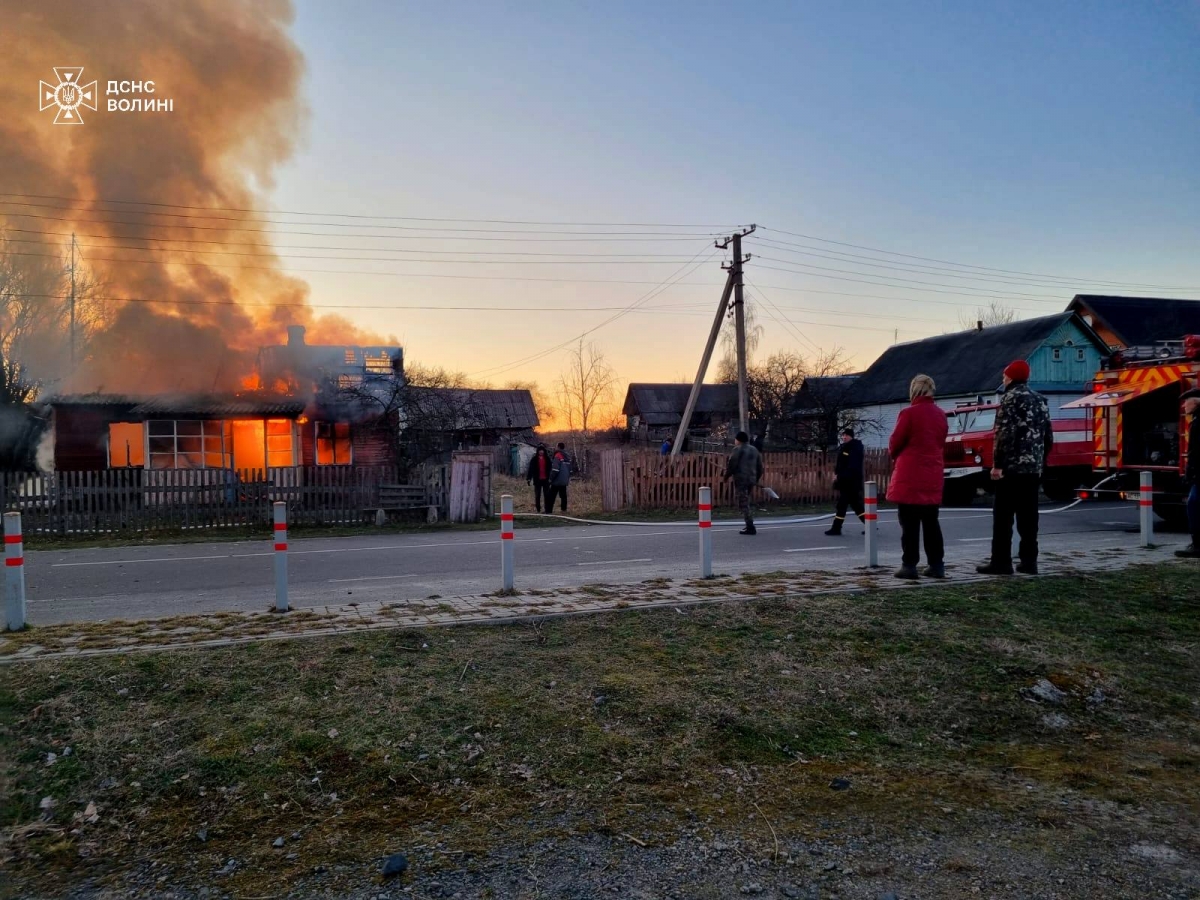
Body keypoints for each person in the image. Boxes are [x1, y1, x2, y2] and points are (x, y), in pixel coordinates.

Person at [976, 360, 1053, 575]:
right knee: (1029, 518)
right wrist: (1040, 461)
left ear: (1011, 377)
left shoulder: (1009, 399)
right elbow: (1048, 436)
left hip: (1011, 470)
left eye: (1004, 375)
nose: (1002, 379)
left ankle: (1001, 562)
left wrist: (997, 465)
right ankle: (1029, 561)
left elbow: (1004, 435)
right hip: (1032, 469)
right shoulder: (1040, 401)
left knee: (1003, 517)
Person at [887, 374, 948, 579]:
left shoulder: (908, 414)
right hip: (932, 473)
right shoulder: (941, 415)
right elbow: (940, 442)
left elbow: (895, 442)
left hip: (911, 474)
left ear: (914, 390)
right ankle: (937, 564)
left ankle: (909, 564)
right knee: (932, 521)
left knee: (909, 523)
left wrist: (898, 456)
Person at [825, 427, 866, 536]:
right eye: (843, 435)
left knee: (842, 505)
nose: (844, 437)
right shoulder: (845, 447)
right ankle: (870, 525)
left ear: (851, 436)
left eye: (846, 435)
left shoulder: (855, 448)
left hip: (851, 482)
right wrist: (837, 475)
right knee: (856, 505)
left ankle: (836, 528)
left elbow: (852, 467)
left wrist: (840, 476)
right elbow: (841, 464)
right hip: (846, 482)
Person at [1175, 388, 1200, 558]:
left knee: (1194, 505)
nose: (1184, 405)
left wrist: (1190, 474)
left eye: (1187, 401)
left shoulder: (1198, 423)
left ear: (1197, 403)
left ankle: (1197, 545)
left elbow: (1196, 452)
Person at [724, 430, 765, 535]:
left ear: (738, 440)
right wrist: (756, 479)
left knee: (743, 503)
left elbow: (732, 464)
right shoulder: (754, 450)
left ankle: (750, 526)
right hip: (751, 479)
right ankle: (749, 523)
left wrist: (726, 476)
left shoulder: (738, 449)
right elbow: (760, 467)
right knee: (745, 500)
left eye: (735, 439)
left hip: (741, 480)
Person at [525, 444, 552, 513]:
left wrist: (551, 478)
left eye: (542, 450)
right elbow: (530, 469)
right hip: (537, 480)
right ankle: (538, 509)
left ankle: (547, 509)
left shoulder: (547, 459)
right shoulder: (534, 459)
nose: (541, 452)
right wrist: (528, 478)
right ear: (538, 451)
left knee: (547, 495)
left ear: (544, 451)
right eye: (540, 450)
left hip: (546, 479)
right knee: (537, 495)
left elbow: (550, 469)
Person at [547, 442, 571, 512]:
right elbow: (570, 469)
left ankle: (548, 511)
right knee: (563, 496)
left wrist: (550, 479)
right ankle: (564, 510)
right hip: (564, 480)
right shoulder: (567, 456)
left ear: (558, 447)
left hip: (557, 480)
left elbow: (555, 469)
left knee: (551, 495)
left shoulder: (558, 455)